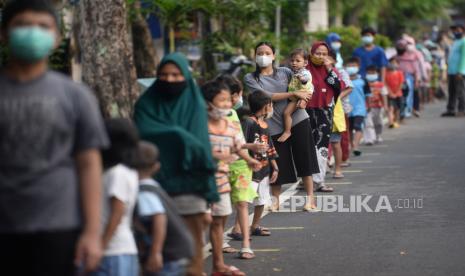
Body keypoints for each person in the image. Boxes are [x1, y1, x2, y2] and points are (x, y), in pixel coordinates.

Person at [0, 1, 109, 275]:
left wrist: (92, 232)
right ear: (3, 33)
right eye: (23, 25)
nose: (32, 32)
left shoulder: (76, 96)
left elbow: (89, 164)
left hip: (60, 226)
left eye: (43, 26)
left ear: (57, 38)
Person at [134, 53, 218, 276]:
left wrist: (209, 197)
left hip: (190, 189)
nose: (169, 80)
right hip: (152, 187)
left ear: (185, 76)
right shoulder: (146, 103)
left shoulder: (195, 104)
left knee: (190, 258)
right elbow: (143, 132)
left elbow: (202, 148)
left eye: (175, 74)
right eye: (163, 75)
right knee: (151, 258)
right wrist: (179, 136)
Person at [244, 41, 319, 212]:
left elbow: (305, 83)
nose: (263, 56)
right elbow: (266, 96)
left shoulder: (285, 72)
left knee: (304, 160)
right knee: (278, 163)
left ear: (274, 56)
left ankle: (310, 199)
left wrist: (304, 98)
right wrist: (293, 94)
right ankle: (275, 200)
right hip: (272, 126)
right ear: (255, 56)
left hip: (298, 119)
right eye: (260, 53)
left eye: (267, 52)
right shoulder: (251, 78)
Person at [202, 80, 252, 276]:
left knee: (219, 221)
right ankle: (195, 266)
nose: (226, 104)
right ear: (208, 103)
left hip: (222, 182)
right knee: (202, 221)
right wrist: (219, 157)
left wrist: (251, 159)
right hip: (201, 183)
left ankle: (218, 265)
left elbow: (239, 147)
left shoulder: (231, 126)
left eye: (227, 100)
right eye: (220, 100)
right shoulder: (197, 125)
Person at [134, 141, 194, 276]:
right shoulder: (154, 186)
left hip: (169, 253)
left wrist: (155, 252)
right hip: (179, 249)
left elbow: (159, 218)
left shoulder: (144, 191)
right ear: (156, 166)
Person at [216, 75, 260, 258]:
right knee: (223, 208)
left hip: (240, 165)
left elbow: (237, 142)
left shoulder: (234, 114)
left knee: (242, 203)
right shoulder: (207, 116)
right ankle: (220, 241)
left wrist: (249, 157)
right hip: (220, 167)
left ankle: (246, 244)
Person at [93, 119, 140, 276]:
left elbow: (117, 212)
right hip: (122, 250)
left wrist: (101, 246)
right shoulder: (128, 171)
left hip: (113, 251)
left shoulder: (116, 173)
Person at [242, 91, 280, 235]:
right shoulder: (249, 122)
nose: (271, 107)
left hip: (264, 167)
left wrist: (275, 167)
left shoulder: (265, 123)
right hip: (251, 167)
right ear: (265, 106)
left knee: (262, 199)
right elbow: (241, 143)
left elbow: (270, 146)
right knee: (245, 201)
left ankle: (255, 226)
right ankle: (238, 229)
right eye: (270, 104)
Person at [306, 41, 342, 193]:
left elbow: (338, 88)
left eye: (324, 54)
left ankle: (319, 181)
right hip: (304, 112)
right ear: (311, 53)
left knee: (322, 147)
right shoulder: (304, 69)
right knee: (307, 147)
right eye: (317, 53)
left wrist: (329, 68)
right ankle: (307, 180)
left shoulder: (330, 71)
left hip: (324, 112)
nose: (320, 56)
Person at [278, 48, 314, 142]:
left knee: (286, 113)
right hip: (297, 96)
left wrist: (301, 79)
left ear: (305, 63)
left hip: (302, 94)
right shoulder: (295, 72)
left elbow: (306, 79)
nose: (294, 63)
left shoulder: (304, 72)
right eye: (292, 60)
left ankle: (287, 132)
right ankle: (302, 102)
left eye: (298, 61)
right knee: (289, 111)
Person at [346, 57, 368, 156]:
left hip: (360, 108)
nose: (351, 68)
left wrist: (369, 105)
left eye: (353, 66)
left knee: (357, 126)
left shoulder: (363, 80)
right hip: (347, 108)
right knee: (349, 128)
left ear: (358, 67)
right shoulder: (344, 79)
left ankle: (356, 146)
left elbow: (368, 94)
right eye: (349, 66)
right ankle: (351, 144)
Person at [442, 23, 465, 117]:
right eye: (454, 30)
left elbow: (464, 58)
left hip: (458, 71)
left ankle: (462, 109)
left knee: (460, 91)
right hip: (451, 70)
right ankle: (450, 109)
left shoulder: (463, 42)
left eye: (458, 30)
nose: (455, 32)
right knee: (451, 91)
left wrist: (461, 71)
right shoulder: (456, 42)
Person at [394, 39, 421, 119]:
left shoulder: (412, 56)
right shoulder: (395, 57)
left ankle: (409, 110)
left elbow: (416, 70)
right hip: (398, 78)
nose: (400, 48)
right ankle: (399, 111)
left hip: (409, 78)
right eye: (399, 46)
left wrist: (416, 80)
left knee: (410, 95)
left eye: (402, 46)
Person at [364, 65, 387, 145]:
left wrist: (385, 106)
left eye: (373, 73)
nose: (370, 74)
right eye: (369, 73)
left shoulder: (380, 85)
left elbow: (384, 95)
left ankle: (378, 135)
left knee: (379, 123)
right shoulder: (364, 84)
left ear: (377, 73)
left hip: (378, 106)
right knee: (368, 123)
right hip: (367, 107)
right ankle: (369, 139)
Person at [385, 58, 405, 128]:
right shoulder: (386, 73)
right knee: (391, 108)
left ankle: (396, 121)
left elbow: (401, 84)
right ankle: (391, 122)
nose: (393, 64)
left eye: (394, 63)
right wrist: (391, 93)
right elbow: (386, 84)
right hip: (390, 94)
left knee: (397, 108)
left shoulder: (400, 73)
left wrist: (396, 93)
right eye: (391, 62)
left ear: (397, 64)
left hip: (398, 94)